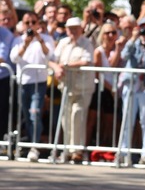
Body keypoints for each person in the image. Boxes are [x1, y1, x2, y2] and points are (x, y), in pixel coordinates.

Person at [10, 11, 55, 161]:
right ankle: (30, 143)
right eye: (27, 23)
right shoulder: (18, 40)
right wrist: (26, 43)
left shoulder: (46, 39)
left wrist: (39, 40)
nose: (30, 26)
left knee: (34, 113)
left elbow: (50, 56)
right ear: (23, 25)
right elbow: (14, 58)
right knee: (26, 116)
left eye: (33, 22)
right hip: (23, 83)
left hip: (39, 83)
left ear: (38, 23)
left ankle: (35, 146)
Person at [117, 17, 145, 166]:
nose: (144, 31)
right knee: (127, 120)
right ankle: (124, 152)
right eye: (142, 28)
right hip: (131, 85)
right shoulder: (133, 44)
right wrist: (133, 38)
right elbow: (124, 56)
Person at [49, 17, 95, 163]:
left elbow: (86, 60)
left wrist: (67, 65)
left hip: (83, 87)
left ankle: (77, 150)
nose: (73, 31)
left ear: (81, 29)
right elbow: (51, 59)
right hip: (66, 87)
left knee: (78, 114)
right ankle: (67, 150)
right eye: (70, 28)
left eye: (76, 28)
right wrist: (57, 67)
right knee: (66, 118)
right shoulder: (63, 43)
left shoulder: (86, 43)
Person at [86, 21, 124, 149]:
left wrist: (118, 49)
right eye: (108, 33)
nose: (111, 35)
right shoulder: (98, 51)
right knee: (92, 119)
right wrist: (110, 88)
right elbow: (98, 74)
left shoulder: (116, 51)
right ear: (102, 35)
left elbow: (112, 66)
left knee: (109, 121)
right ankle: (85, 148)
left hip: (111, 89)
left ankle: (105, 148)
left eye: (114, 32)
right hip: (100, 87)